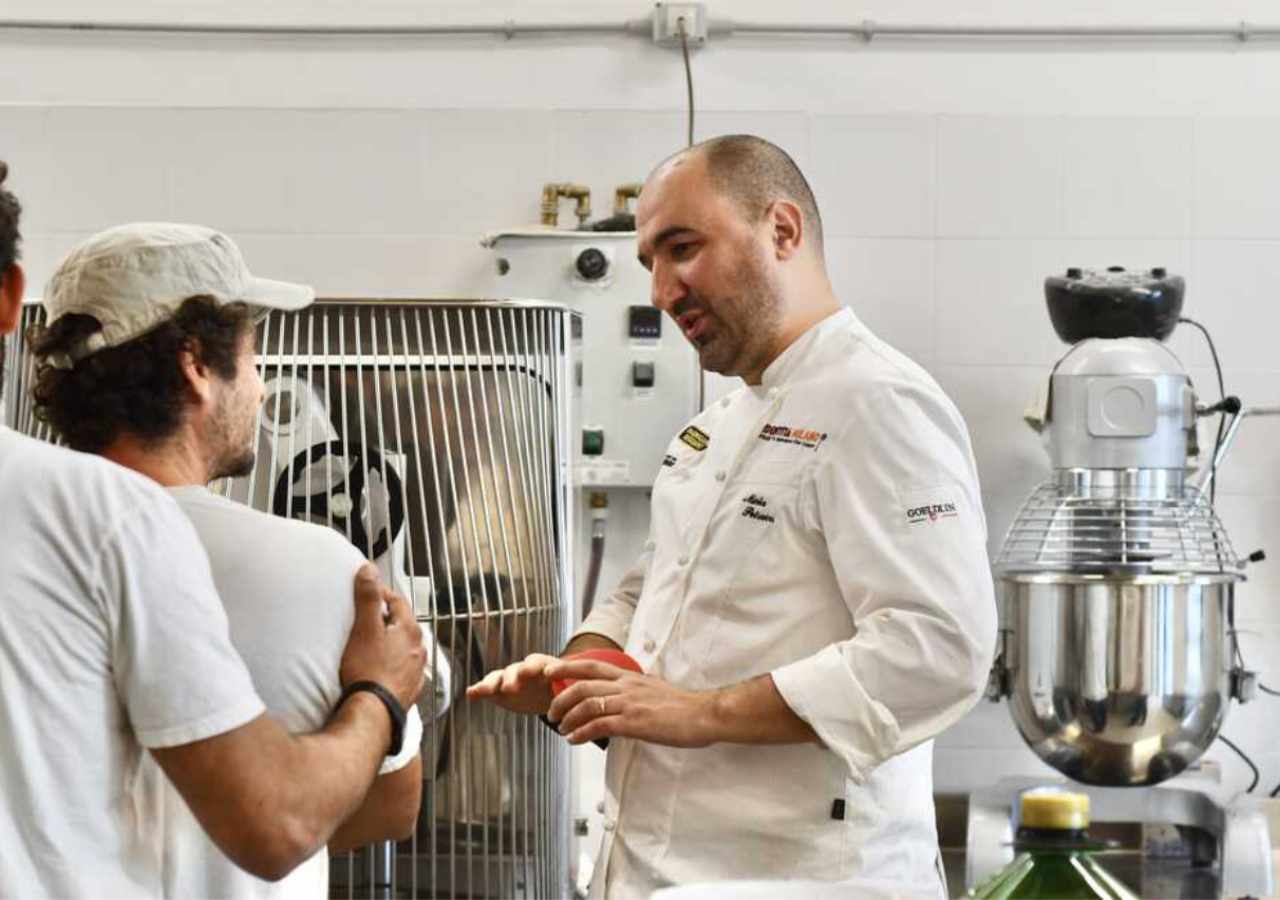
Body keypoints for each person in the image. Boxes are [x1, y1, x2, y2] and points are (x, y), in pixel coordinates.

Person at [468, 135, 998, 897]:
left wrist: (703, 713)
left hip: (803, 879)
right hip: (656, 869)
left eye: (683, 248)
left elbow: (937, 649)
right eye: (649, 262)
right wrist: (584, 669)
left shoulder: (878, 402)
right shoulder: (714, 427)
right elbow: (653, 588)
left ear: (781, 230)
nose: (661, 291)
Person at [0, 161, 426, 900]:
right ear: (197, 364)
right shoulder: (316, 567)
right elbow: (375, 810)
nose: (261, 389)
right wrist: (381, 694)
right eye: (255, 358)